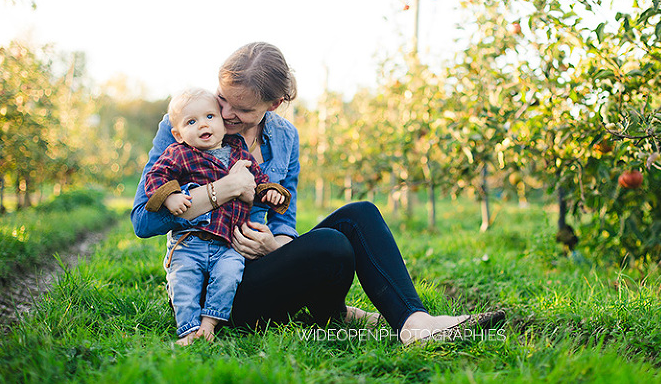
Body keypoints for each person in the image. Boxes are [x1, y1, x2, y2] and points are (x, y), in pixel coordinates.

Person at [131, 42, 504, 345]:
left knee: (359, 214)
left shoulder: (284, 137)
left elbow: (284, 219)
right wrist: (220, 191)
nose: (224, 113)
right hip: (213, 280)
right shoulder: (185, 123)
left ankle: (416, 324)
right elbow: (143, 222)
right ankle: (335, 314)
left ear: (273, 105)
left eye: (241, 108)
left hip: (259, 264)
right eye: (222, 98)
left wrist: (275, 246)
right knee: (330, 244)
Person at [143, 87, 290, 345]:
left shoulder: (239, 153)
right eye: (191, 122)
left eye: (210, 117)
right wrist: (169, 196)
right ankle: (188, 329)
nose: (203, 125)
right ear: (178, 134)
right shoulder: (179, 153)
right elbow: (156, 176)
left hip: (228, 244)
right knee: (183, 280)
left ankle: (209, 323)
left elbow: (259, 180)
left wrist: (270, 192)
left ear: (223, 122)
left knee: (229, 275)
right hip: (190, 241)